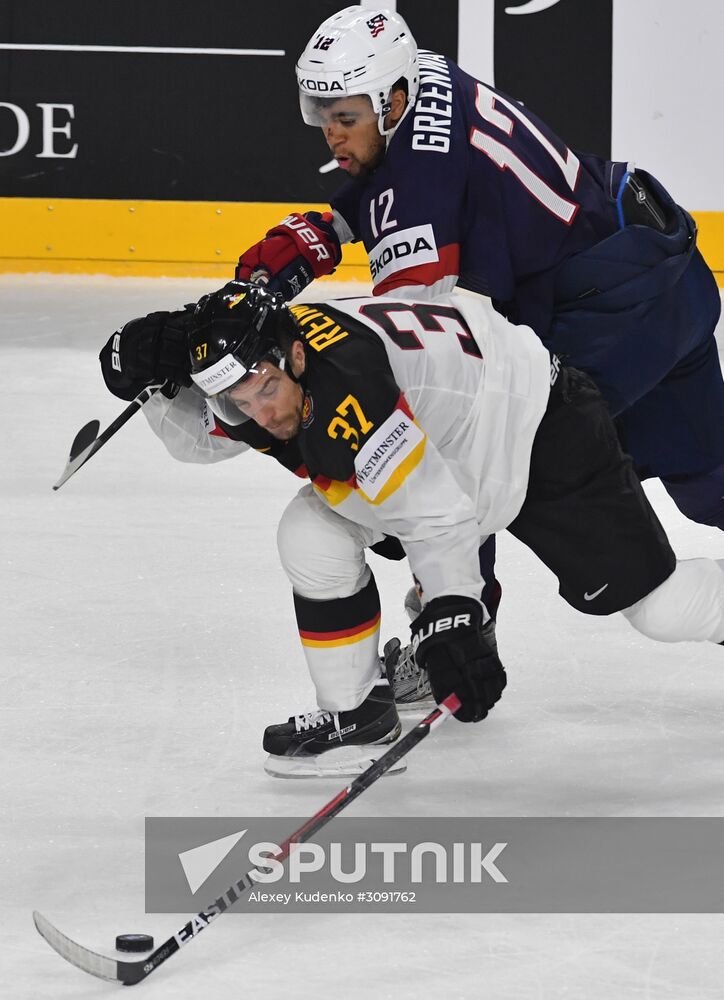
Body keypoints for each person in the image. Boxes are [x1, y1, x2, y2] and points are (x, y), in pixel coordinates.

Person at [98, 281, 724, 779]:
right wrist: (154, 388)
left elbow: (435, 514)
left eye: (266, 390)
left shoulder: (347, 390)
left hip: (538, 426)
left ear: (292, 356)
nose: (262, 414)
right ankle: (357, 716)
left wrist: (453, 615)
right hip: (452, 435)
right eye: (241, 401)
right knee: (311, 532)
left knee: (660, 609)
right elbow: (209, 437)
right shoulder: (260, 370)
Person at [234, 5, 724, 539]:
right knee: (710, 485)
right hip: (660, 266)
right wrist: (318, 235)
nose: (331, 136)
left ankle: (464, 614)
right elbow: (411, 172)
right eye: (323, 116)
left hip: (608, 320)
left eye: (345, 119)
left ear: (392, 102)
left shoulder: (418, 190)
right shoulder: (424, 73)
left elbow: (429, 360)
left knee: (465, 453)